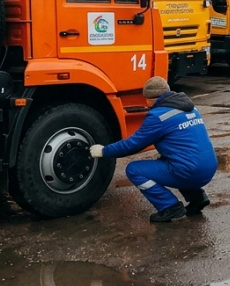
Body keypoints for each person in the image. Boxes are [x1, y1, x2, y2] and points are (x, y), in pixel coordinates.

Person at [89, 76, 217, 223]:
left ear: (150, 99)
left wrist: (104, 151)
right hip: (209, 167)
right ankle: (197, 198)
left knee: (134, 170)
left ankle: (169, 207)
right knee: (173, 160)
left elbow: (133, 144)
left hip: (191, 172)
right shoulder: (190, 107)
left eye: (146, 99)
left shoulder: (158, 116)